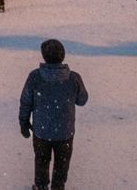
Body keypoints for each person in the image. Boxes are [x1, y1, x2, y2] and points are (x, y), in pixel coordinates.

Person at [19, 39, 89, 190]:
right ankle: (58, 186)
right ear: (62, 55)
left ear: (44, 56)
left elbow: (26, 101)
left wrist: (23, 122)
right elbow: (82, 100)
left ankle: (41, 186)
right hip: (65, 132)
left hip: (41, 132)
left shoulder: (35, 77)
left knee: (41, 162)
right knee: (61, 165)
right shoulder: (73, 78)